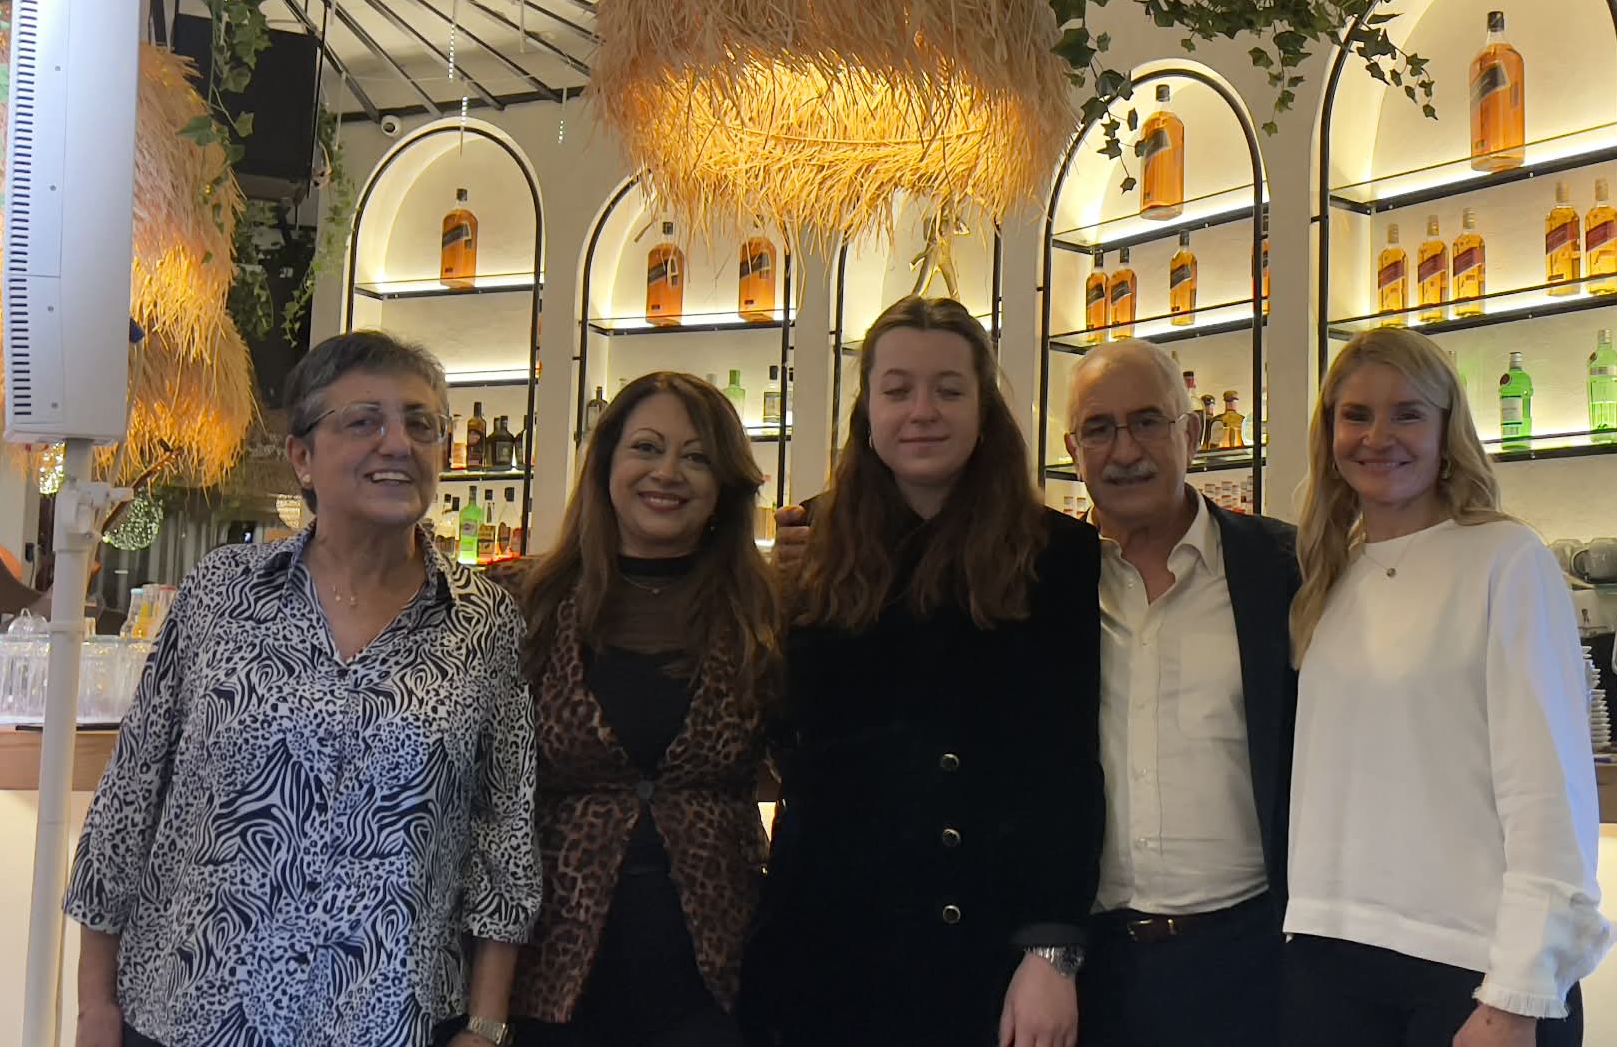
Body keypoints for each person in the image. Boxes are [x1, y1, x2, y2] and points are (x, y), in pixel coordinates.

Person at [64, 330, 539, 1047]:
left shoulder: (484, 621)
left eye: (421, 424)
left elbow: (504, 834)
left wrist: (485, 1023)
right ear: (302, 458)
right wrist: (94, 1003)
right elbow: (131, 795)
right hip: (190, 1011)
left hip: (388, 1021)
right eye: (364, 421)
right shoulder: (223, 592)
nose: (397, 443)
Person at [739, 296, 1104, 1047]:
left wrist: (1052, 947)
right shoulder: (809, 544)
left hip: (990, 946)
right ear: (867, 411)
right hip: (827, 946)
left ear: (984, 409)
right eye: (898, 389)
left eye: (949, 389)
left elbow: (1067, 763)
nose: (922, 412)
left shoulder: (1058, 556)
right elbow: (783, 735)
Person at [1280, 328, 1617, 1047]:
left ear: (1446, 431)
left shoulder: (1506, 559)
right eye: (1355, 415)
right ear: (1329, 435)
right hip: (1328, 952)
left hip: (1472, 970)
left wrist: (1517, 995)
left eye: (1407, 414)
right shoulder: (1329, 575)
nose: (1378, 437)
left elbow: (1549, 796)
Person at [483, 374, 779, 1047]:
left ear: (724, 485)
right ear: (606, 463)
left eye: (697, 457)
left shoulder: (765, 612)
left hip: (718, 980)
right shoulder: (520, 601)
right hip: (546, 976)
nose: (667, 472)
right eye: (646, 447)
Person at [1060, 339, 1299, 1047]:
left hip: (1252, 958)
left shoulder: (1284, 568)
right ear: (1073, 450)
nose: (1124, 449)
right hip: (1089, 970)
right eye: (1099, 429)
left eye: (1147, 421)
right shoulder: (1039, 581)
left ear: (1192, 433)